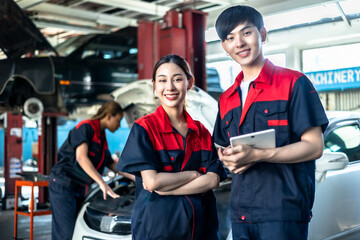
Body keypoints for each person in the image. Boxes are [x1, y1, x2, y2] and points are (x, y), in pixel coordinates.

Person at [213, 5, 329, 240]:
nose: (239, 43)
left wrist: (257, 155)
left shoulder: (293, 83)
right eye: (230, 37)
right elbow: (220, 146)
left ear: (262, 34)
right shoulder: (227, 98)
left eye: (246, 33)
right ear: (225, 47)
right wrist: (227, 157)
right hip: (240, 212)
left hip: (282, 210)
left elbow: (314, 146)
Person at [116, 54, 227, 240]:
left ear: (189, 83)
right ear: (155, 86)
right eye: (162, 80)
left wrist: (168, 188)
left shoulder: (202, 132)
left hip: (201, 228)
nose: (170, 87)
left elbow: (213, 180)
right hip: (159, 228)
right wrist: (192, 174)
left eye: (177, 79)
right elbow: (152, 182)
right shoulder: (145, 129)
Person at [49, 100, 134, 240]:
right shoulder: (86, 127)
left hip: (79, 187)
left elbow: (112, 164)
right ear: (108, 116)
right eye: (118, 121)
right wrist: (102, 183)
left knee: (76, 229)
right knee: (65, 233)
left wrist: (136, 178)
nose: (119, 125)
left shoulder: (102, 137)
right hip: (63, 185)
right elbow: (81, 157)